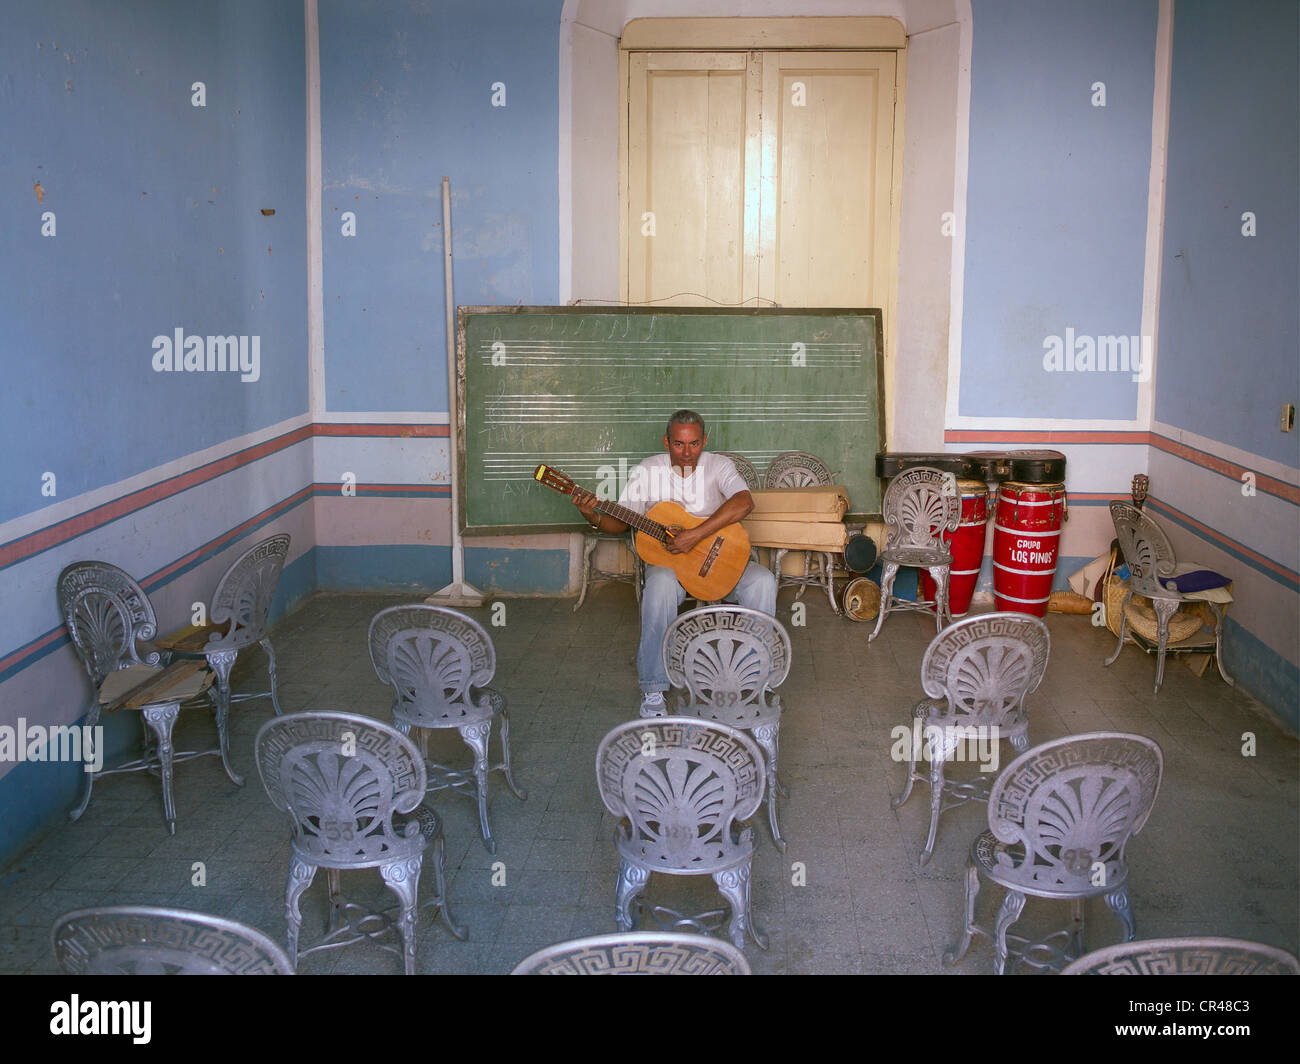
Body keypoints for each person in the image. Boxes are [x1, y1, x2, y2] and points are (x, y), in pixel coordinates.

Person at [571, 410, 777, 715]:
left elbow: (744, 502)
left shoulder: (719, 465)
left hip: (720, 558)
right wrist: (591, 514)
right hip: (670, 566)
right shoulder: (647, 470)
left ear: (704, 440)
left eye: (694, 444)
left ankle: (753, 679)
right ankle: (653, 688)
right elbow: (619, 523)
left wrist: (694, 535)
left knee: (763, 581)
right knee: (659, 587)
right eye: (679, 445)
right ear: (666, 441)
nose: (687, 453)